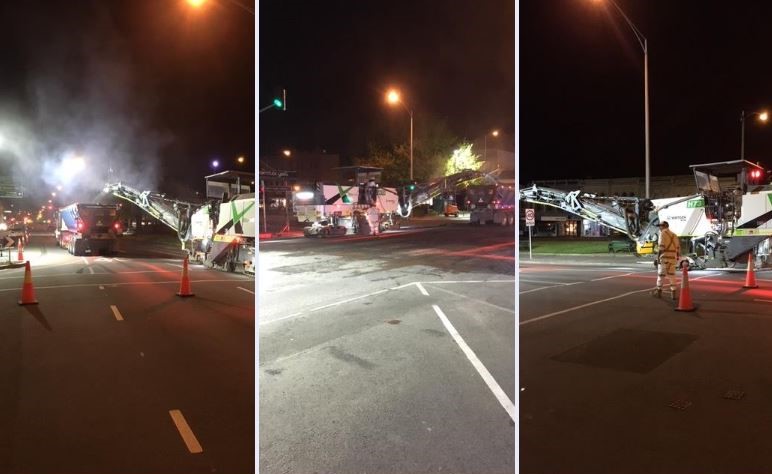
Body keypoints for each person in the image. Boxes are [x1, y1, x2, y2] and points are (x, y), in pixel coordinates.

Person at [655, 221, 680, 299]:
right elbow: (678, 248)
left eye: (660, 226)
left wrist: (658, 258)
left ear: (664, 226)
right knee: (672, 276)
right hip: (673, 258)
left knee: (661, 276)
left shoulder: (662, 233)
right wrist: (677, 257)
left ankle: (659, 292)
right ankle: (673, 294)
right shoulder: (674, 235)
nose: (659, 227)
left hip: (664, 258)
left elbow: (661, 247)